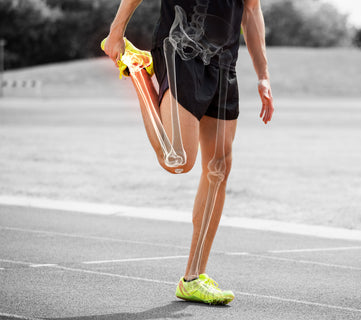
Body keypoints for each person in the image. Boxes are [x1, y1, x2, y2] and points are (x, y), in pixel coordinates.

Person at [102, 0, 274, 305]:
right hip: (179, 48)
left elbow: (251, 9)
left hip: (224, 61)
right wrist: (116, 32)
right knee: (177, 159)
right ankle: (138, 71)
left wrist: (263, 76)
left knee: (218, 168)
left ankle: (193, 278)